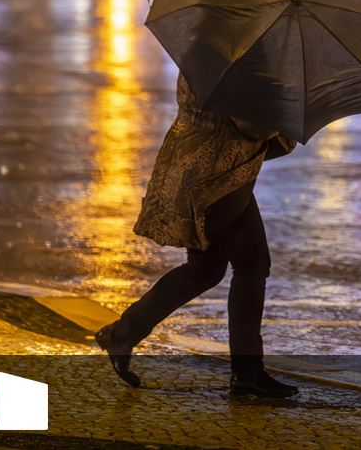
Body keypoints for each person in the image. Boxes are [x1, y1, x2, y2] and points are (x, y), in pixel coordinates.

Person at [94, 73, 299, 398]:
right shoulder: (234, 54)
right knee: (229, 265)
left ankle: (245, 371)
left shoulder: (213, 45)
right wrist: (290, 111)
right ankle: (124, 334)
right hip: (212, 176)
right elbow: (252, 125)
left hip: (218, 173)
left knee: (240, 262)